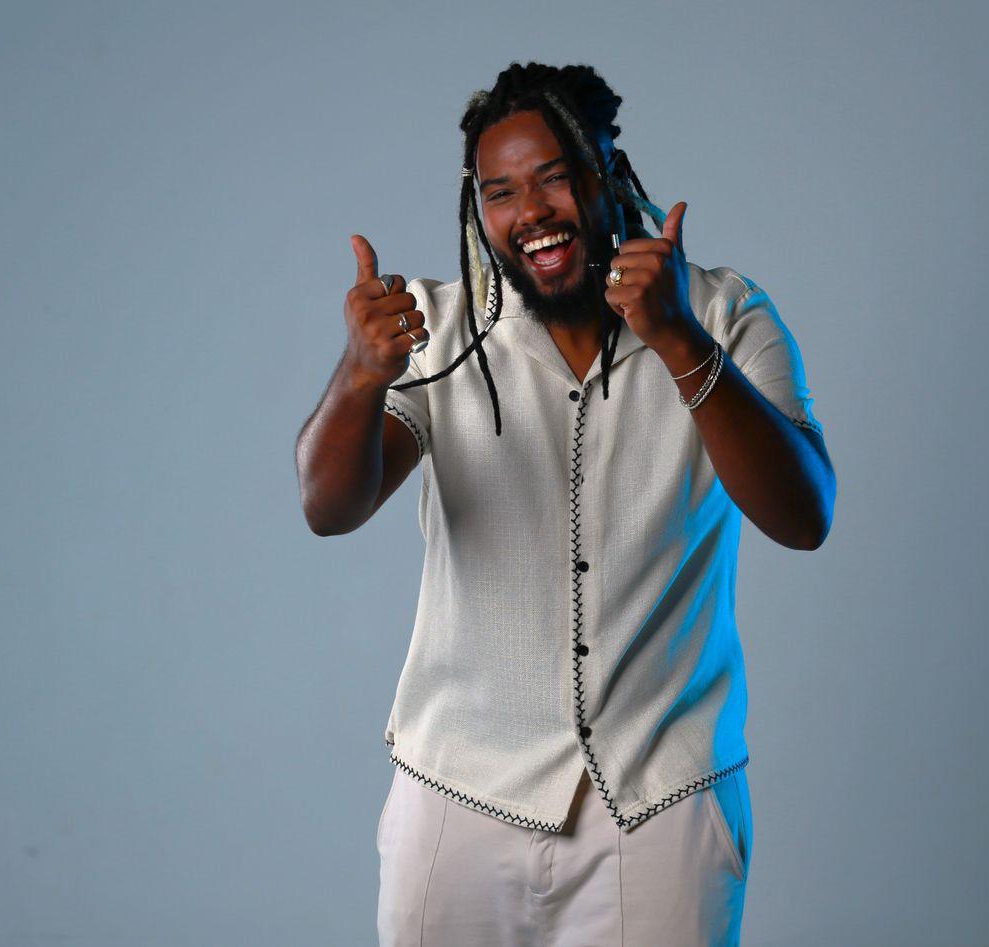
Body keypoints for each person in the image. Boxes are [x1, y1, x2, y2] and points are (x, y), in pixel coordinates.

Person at [295, 61, 836, 946]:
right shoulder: (435, 329)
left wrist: (677, 338)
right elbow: (329, 504)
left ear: (608, 172)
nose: (531, 211)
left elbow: (804, 515)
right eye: (500, 191)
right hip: (457, 798)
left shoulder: (724, 312)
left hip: (662, 803)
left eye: (554, 176)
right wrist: (360, 375)